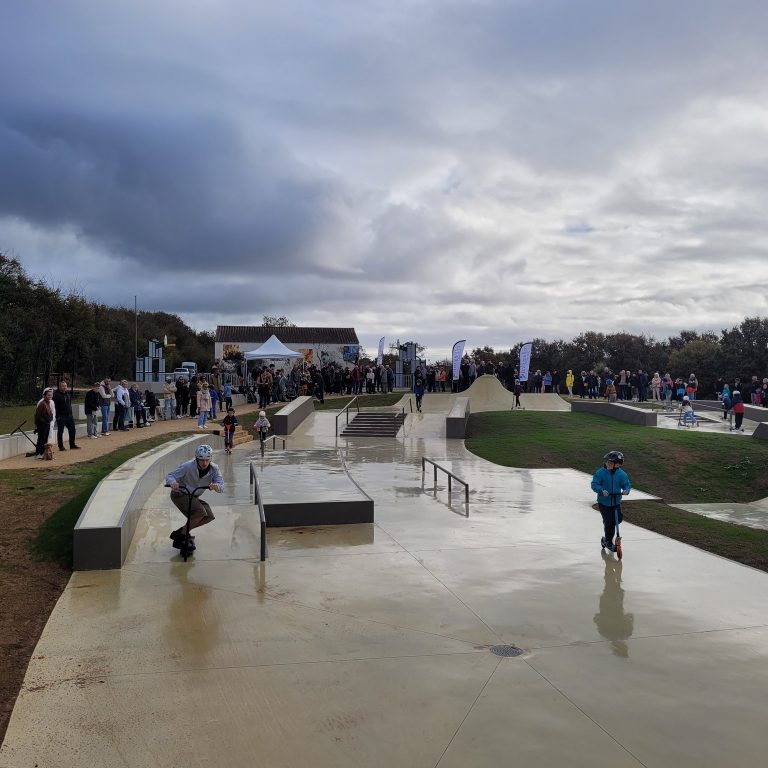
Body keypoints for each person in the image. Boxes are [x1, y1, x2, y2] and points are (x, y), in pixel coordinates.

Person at [165, 444, 223, 552]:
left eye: (207, 459)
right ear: (196, 458)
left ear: (210, 458)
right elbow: (170, 476)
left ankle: (181, 533)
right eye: (201, 460)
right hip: (180, 494)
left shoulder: (214, 469)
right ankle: (182, 536)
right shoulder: (187, 466)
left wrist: (217, 486)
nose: (204, 463)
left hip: (193, 496)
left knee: (209, 516)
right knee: (200, 513)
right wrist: (172, 482)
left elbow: (221, 484)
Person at [591, 450, 631, 553]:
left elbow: (626, 484)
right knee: (609, 522)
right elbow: (594, 484)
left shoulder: (621, 474)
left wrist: (626, 490)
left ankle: (606, 536)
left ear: (617, 465)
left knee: (619, 519)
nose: (607, 464)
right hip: (604, 503)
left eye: (610, 462)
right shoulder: (601, 472)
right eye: (607, 462)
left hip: (616, 502)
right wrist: (601, 490)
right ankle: (608, 541)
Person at [52, 380, 81, 450]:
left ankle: (72, 444)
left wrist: (71, 413)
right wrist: (58, 416)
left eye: (65, 386)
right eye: (62, 386)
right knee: (60, 431)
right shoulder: (56, 395)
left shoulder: (67, 394)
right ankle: (61, 446)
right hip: (61, 416)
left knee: (72, 430)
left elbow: (69, 405)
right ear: (59, 387)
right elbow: (54, 407)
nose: (64, 387)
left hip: (69, 416)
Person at [32, 388, 56, 459]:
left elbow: (50, 413)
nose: (50, 397)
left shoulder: (49, 402)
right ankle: (38, 453)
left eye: (51, 395)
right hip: (42, 425)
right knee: (41, 439)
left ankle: (43, 452)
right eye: (48, 395)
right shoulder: (42, 403)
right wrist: (37, 425)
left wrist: (50, 419)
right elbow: (37, 416)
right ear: (44, 396)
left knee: (45, 439)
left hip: (47, 424)